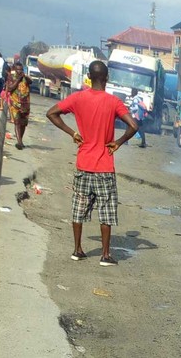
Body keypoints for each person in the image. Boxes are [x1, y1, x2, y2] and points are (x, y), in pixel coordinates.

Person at [46, 61, 138, 267]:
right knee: (106, 211)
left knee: (78, 208)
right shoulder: (114, 102)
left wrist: (72, 133)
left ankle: (77, 250)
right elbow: (133, 125)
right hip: (104, 165)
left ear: (89, 76)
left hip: (83, 163)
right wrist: (118, 142)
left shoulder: (78, 98)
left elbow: (51, 113)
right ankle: (105, 255)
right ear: (107, 78)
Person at [7, 62, 32, 149]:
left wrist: (24, 77)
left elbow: (30, 82)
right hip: (15, 103)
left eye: (21, 69)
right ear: (15, 69)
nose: (20, 71)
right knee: (17, 122)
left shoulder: (25, 78)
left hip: (25, 104)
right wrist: (18, 79)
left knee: (23, 123)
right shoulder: (11, 77)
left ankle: (20, 140)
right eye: (18, 69)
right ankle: (19, 142)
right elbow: (10, 88)